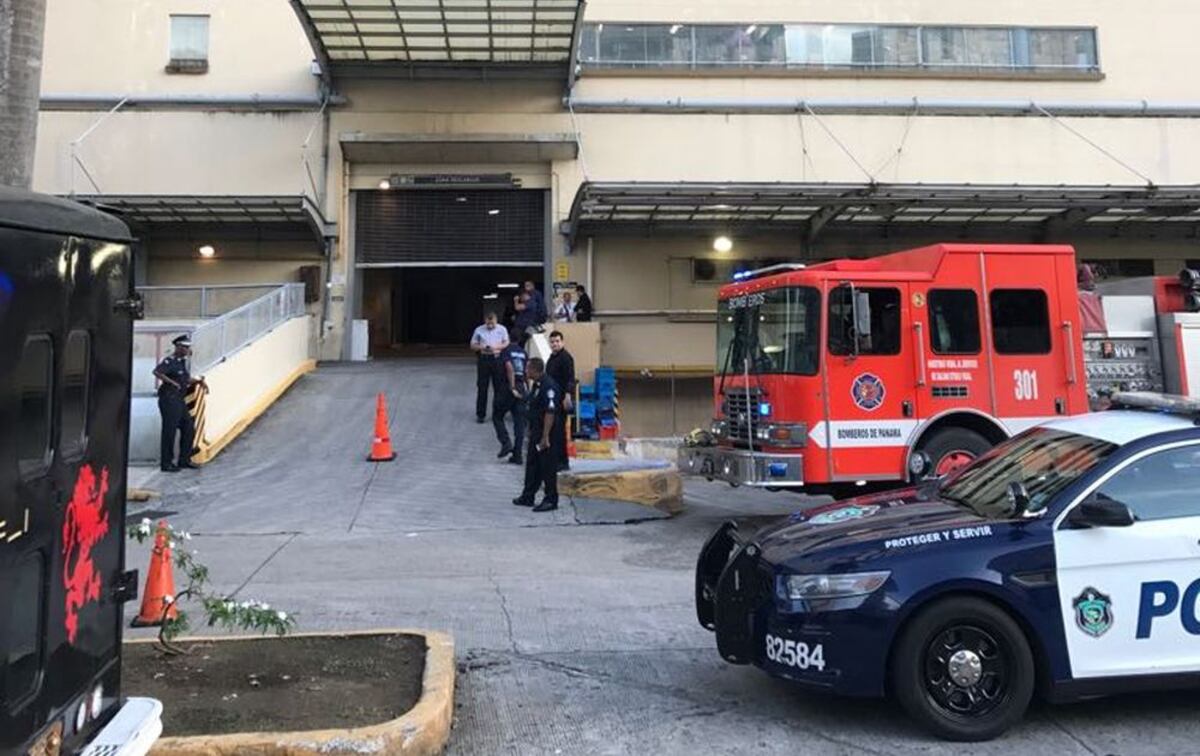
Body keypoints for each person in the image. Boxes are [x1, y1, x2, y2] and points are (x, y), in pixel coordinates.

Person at [513, 357, 560, 512]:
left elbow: (550, 412)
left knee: (547, 466)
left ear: (535, 370)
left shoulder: (549, 386)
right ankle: (528, 495)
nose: (526, 371)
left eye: (528, 369)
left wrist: (545, 436)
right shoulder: (537, 385)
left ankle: (551, 499)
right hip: (536, 430)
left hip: (547, 432)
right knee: (533, 464)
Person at [153, 334, 203, 472]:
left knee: (188, 427)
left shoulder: (181, 363)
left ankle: (184, 460)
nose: (188, 349)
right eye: (185, 347)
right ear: (178, 347)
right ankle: (166, 463)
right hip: (169, 399)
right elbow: (157, 372)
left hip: (179, 400)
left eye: (188, 347)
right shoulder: (170, 361)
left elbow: (185, 379)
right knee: (169, 431)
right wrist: (171, 382)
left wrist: (199, 381)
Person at [492, 326, 528, 465]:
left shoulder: (506, 351)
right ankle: (518, 455)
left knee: (497, 416)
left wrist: (512, 387)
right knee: (519, 423)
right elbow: (526, 371)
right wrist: (526, 389)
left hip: (508, 388)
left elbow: (509, 368)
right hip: (521, 388)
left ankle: (506, 442)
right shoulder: (524, 353)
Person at [545, 330, 576, 472]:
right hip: (553, 399)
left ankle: (563, 462)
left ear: (562, 342)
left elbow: (570, 378)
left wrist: (568, 395)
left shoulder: (566, 358)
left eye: (557, 341)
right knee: (554, 431)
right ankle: (555, 459)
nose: (555, 344)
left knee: (559, 432)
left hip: (562, 400)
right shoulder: (552, 358)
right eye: (552, 342)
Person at [469, 312, 509, 423]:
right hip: (484, 358)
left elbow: (506, 342)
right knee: (482, 387)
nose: (490, 326)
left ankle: (498, 413)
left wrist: (496, 347)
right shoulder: (479, 330)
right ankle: (481, 414)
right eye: (488, 323)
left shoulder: (502, 329)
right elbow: (472, 345)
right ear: (485, 321)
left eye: (492, 323)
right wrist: (482, 347)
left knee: (498, 388)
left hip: (497, 358)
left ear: (496, 320)